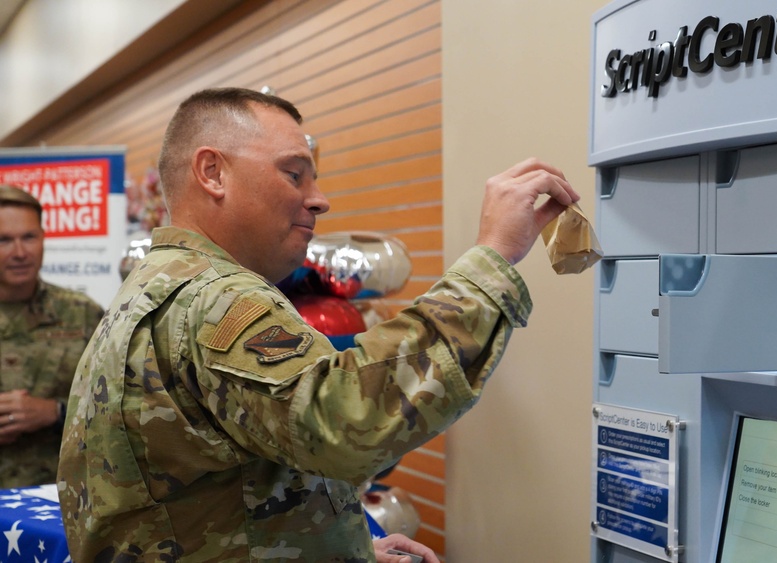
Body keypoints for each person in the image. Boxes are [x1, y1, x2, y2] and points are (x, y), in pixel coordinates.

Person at [57, 87, 579, 562]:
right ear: (212, 173)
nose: (319, 198)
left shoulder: (155, 284)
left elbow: (221, 491)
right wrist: (492, 258)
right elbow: (344, 420)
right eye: (293, 174)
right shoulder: (211, 297)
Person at [0, 185, 104, 489]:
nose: (20, 252)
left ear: (44, 238)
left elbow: (124, 407)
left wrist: (56, 412)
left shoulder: (82, 313)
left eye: (29, 237)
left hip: (59, 501)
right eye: (4, 240)